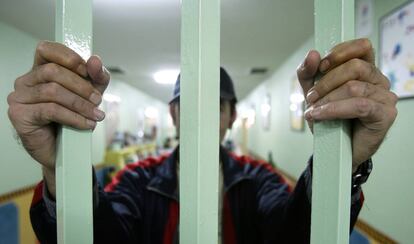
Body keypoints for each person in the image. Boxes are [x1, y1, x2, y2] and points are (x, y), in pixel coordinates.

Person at [7, 38, 397, 244]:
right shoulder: (137, 178)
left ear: (230, 117)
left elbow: (295, 233)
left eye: (215, 106)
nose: (201, 116)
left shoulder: (255, 177)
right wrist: (62, 168)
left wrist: (343, 160)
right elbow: (99, 235)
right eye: (187, 106)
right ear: (173, 114)